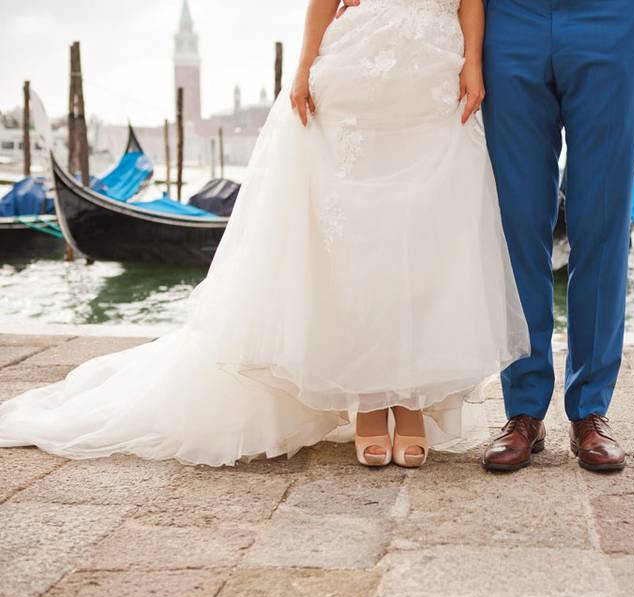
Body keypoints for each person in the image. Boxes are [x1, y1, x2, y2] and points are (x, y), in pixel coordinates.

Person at [0, 0, 529, 469]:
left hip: (433, 79)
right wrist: (302, 67)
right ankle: (370, 400)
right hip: (358, 76)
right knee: (357, 245)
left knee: (422, 240)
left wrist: (474, 64)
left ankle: (410, 400)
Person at [478, 0, 634, 472]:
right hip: (511, 20)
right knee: (516, 224)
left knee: (604, 224)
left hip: (616, 19)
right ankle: (523, 409)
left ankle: (590, 410)